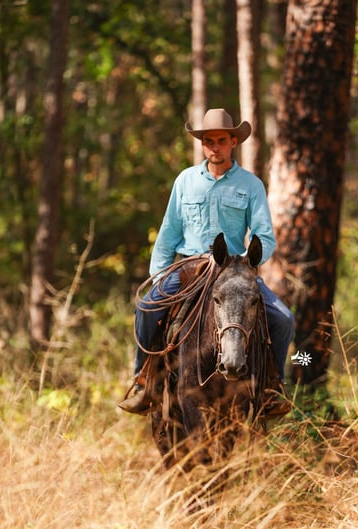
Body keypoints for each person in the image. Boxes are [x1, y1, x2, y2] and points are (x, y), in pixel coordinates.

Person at [119, 108, 294, 414]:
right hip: (188, 267)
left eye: (221, 140)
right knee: (146, 308)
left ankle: (272, 386)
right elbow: (168, 233)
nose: (215, 147)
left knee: (283, 319)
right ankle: (143, 380)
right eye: (209, 141)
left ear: (233, 142)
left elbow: (265, 236)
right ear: (202, 144)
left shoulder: (251, 185)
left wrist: (248, 262)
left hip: (235, 270)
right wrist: (159, 277)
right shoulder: (185, 181)